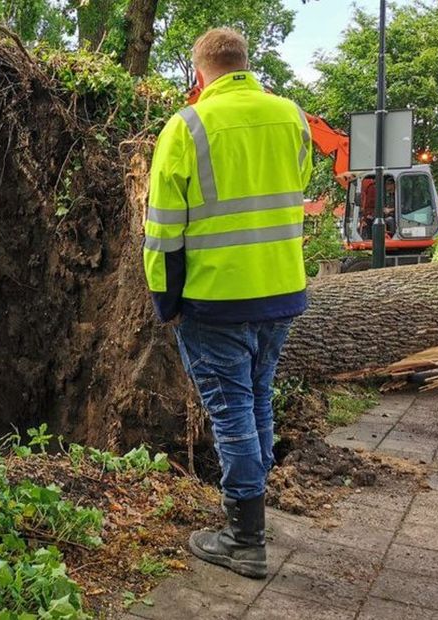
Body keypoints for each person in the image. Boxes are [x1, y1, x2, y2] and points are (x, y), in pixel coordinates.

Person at [142, 27, 312, 580]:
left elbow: (163, 228)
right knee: (257, 399)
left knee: (232, 411)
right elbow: (295, 190)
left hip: (216, 298)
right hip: (280, 292)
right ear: (244, 63)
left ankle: (244, 539)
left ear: (199, 73)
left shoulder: (188, 124)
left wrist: (165, 302)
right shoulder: (291, 117)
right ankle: (253, 517)